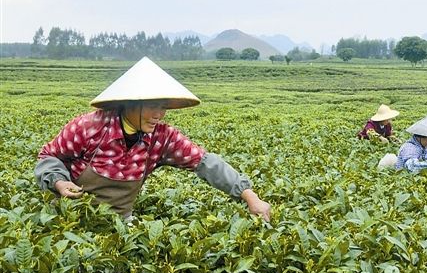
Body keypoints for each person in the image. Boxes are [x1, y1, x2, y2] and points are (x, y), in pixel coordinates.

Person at [34, 57, 271, 221]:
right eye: (152, 106)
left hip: (119, 222)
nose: (159, 114)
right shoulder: (89, 127)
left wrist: (250, 195)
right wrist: (57, 181)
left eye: (163, 106)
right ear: (130, 102)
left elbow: (205, 163)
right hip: (70, 218)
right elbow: (49, 156)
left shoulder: (162, 138)